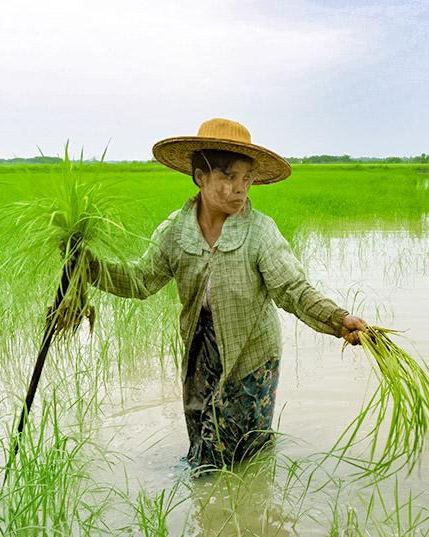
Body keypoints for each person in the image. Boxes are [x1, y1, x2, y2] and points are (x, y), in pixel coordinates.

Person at [87, 118, 368, 471]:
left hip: (252, 354)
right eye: (228, 177)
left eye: (246, 179)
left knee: (240, 453)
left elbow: (293, 290)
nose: (240, 189)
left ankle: (242, 508)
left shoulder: (260, 233)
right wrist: (87, 266)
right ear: (200, 176)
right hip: (200, 351)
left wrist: (338, 319)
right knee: (201, 444)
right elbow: (141, 280)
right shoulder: (175, 232)